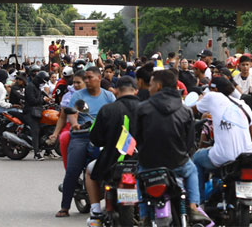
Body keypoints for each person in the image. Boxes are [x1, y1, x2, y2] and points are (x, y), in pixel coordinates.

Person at [191, 77, 252, 225]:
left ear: (214, 89)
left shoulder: (212, 96)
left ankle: (198, 206)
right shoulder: (243, 105)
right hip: (247, 157)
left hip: (223, 157)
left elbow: (191, 110)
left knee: (197, 159)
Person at [135, 70, 210, 224]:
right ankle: (193, 206)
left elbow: (136, 137)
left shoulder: (142, 108)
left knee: (139, 176)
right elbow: (189, 142)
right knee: (192, 170)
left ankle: (143, 215)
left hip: (149, 165)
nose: (149, 88)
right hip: (178, 162)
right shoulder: (186, 110)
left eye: (151, 85)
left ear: (159, 86)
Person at [56, 67, 115, 218]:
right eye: (86, 78)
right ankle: (65, 206)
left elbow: (116, 114)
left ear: (99, 78)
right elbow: (72, 114)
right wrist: (75, 124)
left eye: (90, 77)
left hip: (103, 138)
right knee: (72, 170)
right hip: (82, 136)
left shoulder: (109, 96)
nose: (87, 81)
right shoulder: (78, 95)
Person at [85, 76, 141, 225]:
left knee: (90, 171)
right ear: (136, 90)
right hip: (142, 163)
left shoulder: (107, 110)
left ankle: (96, 210)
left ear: (116, 91)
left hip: (112, 162)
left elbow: (95, 138)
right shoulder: (147, 109)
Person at [24, 71, 50, 161]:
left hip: (37, 112)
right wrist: (43, 100)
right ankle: (36, 153)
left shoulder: (37, 87)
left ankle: (48, 151)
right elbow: (32, 101)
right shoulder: (30, 87)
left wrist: (49, 99)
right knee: (36, 130)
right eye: (42, 82)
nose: (43, 84)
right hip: (30, 112)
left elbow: (42, 95)